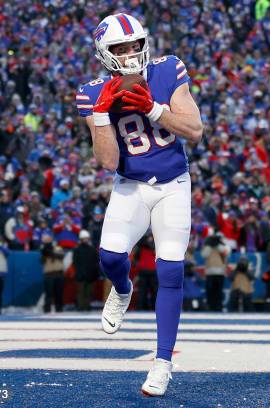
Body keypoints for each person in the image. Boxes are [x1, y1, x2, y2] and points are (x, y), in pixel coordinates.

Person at [76, 12, 202, 397]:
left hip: (173, 185)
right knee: (111, 258)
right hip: (130, 185)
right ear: (105, 53)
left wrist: (152, 108)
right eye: (121, 48)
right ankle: (123, 289)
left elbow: (195, 130)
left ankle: (163, 363)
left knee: (170, 267)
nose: (131, 53)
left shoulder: (168, 70)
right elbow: (110, 161)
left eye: (135, 44)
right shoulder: (91, 93)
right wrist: (101, 114)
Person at [72, 230, 100, 311]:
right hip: (81, 275)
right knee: (80, 292)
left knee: (89, 292)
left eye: (86, 238)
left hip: (91, 274)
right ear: (81, 239)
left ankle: (87, 306)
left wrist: (94, 273)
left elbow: (96, 262)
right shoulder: (77, 250)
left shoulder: (92, 250)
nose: (85, 240)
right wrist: (79, 272)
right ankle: (81, 306)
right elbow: (75, 263)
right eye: (84, 238)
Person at [40, 235, 65, 313]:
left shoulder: (58, 248)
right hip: (49, 274)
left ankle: (59, 309)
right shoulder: (43, 250)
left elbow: (61, 256)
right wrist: (45, 252)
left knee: (59, 293)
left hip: (58, 273)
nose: (47, 241)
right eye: (46, 240)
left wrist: (51, 253)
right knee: (48, 293)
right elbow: (42, 261)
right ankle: (47, 309)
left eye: (49, 239)